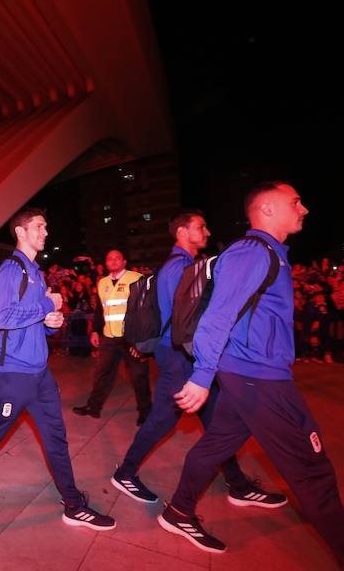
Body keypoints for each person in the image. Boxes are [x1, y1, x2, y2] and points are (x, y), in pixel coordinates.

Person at [158, 182, 344, 571]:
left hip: (247, 373)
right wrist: (202, 375)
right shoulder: (253, 252)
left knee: (214, 447)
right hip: (258, 378)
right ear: (267, 209)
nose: (304, 208)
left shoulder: (267, 253)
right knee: (314, 474)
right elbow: (218, 317)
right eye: (295, 201)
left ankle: (178, 510)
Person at [0, 208, 116, 532]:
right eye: (39, 227)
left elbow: (33, 322)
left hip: (40, 374)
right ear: (21, 232)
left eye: (46, 227)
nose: (45, 232)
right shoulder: (11, 270)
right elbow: (4, 317)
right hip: (13, 375)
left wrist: (51, 324)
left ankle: (73, 504)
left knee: (56, 438)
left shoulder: (37, 273)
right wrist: (50, 305)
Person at [111, 210, 285, 508]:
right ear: (182, 232)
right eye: (201, 227)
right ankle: (125, 473)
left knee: (218, 422)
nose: (206, 232)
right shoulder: (180, 269)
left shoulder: (181, 266)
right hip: (180, 357)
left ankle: (237, 484)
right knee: (163, 419)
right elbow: (192, 319)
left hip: (183, 355)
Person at [72, 250, 152, 424]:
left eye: (117, 258)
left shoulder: (137, 278)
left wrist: (142, 339)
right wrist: (95, 331)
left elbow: (146, 310)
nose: (113, 261)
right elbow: (101, 310)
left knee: (139, 376)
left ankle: (146, 412)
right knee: (102, 374)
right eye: (109, 259)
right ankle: (93, 407)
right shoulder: (103, 283)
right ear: (106, 263)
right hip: (109, 338)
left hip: (131, 338)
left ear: (124, 262)